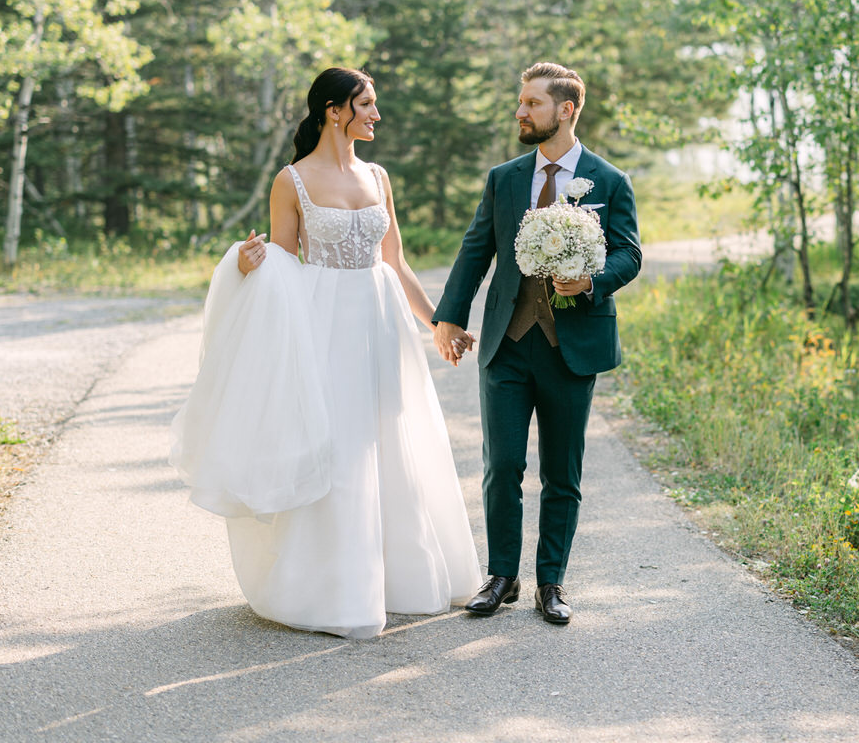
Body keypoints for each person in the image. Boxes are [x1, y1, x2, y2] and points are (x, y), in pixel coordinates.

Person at [170, 66, 480, 638]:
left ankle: (398, 579)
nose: (376, 115)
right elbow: (282, 269)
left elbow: (395, 262)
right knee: (335, 448)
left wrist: (440, 323)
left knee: (389, 441)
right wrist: (244, 264)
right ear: (335, 110)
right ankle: (333, 589)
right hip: (324, 324)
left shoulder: (379, 176)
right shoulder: (292, 181)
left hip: (381, 322)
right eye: (367, 105)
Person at [432, 62, 641, 625]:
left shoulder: (608, 180)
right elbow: (476, 250)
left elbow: (629, 253)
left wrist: (592, 281)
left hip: (572, 346)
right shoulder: (504, 178)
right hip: (507, 342)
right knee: (501, 464)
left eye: (531, 103)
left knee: (561, 473)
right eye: (520, 103)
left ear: (565, 109)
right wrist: (448, 317)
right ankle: (502, 575)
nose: (520, 112)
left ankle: (552, 581)